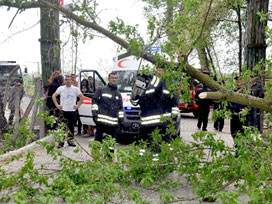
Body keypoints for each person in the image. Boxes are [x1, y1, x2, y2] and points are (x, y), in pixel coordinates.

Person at [52, 74, 84, 148]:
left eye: (69, 79)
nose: (68, 81)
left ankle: (70, 141)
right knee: (62, 127)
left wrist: (78, 105)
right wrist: (57, 105)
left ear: (71, 80)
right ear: (64, 80)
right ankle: (61, 142)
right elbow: (54, 96)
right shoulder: (61, 88)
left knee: (71, 127)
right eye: (66, 79)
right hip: (63, 110)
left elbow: (82, 97)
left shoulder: (75, 89)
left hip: (72, 110)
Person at [92, 72, 123, 143]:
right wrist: (94, 114)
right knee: (97, 144)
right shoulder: (101, 90)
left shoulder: (118, 94)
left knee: (110, 146)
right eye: (112, 78)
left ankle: (108, 155)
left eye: (115, 78)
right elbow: (94, 102)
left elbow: (120, 108)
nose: (114, 80)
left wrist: (121, 121)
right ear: (108, 79)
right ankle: (95, 154)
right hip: (102, 123)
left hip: (113, 125)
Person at [156, 67, 180, 140]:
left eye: (160, 70)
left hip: (167, 119)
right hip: (156, 118)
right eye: (157, 70)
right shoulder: (155, 82)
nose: (158, 72)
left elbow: (175, 103)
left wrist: (174, 118)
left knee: (166, 139)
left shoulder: (170, 83)